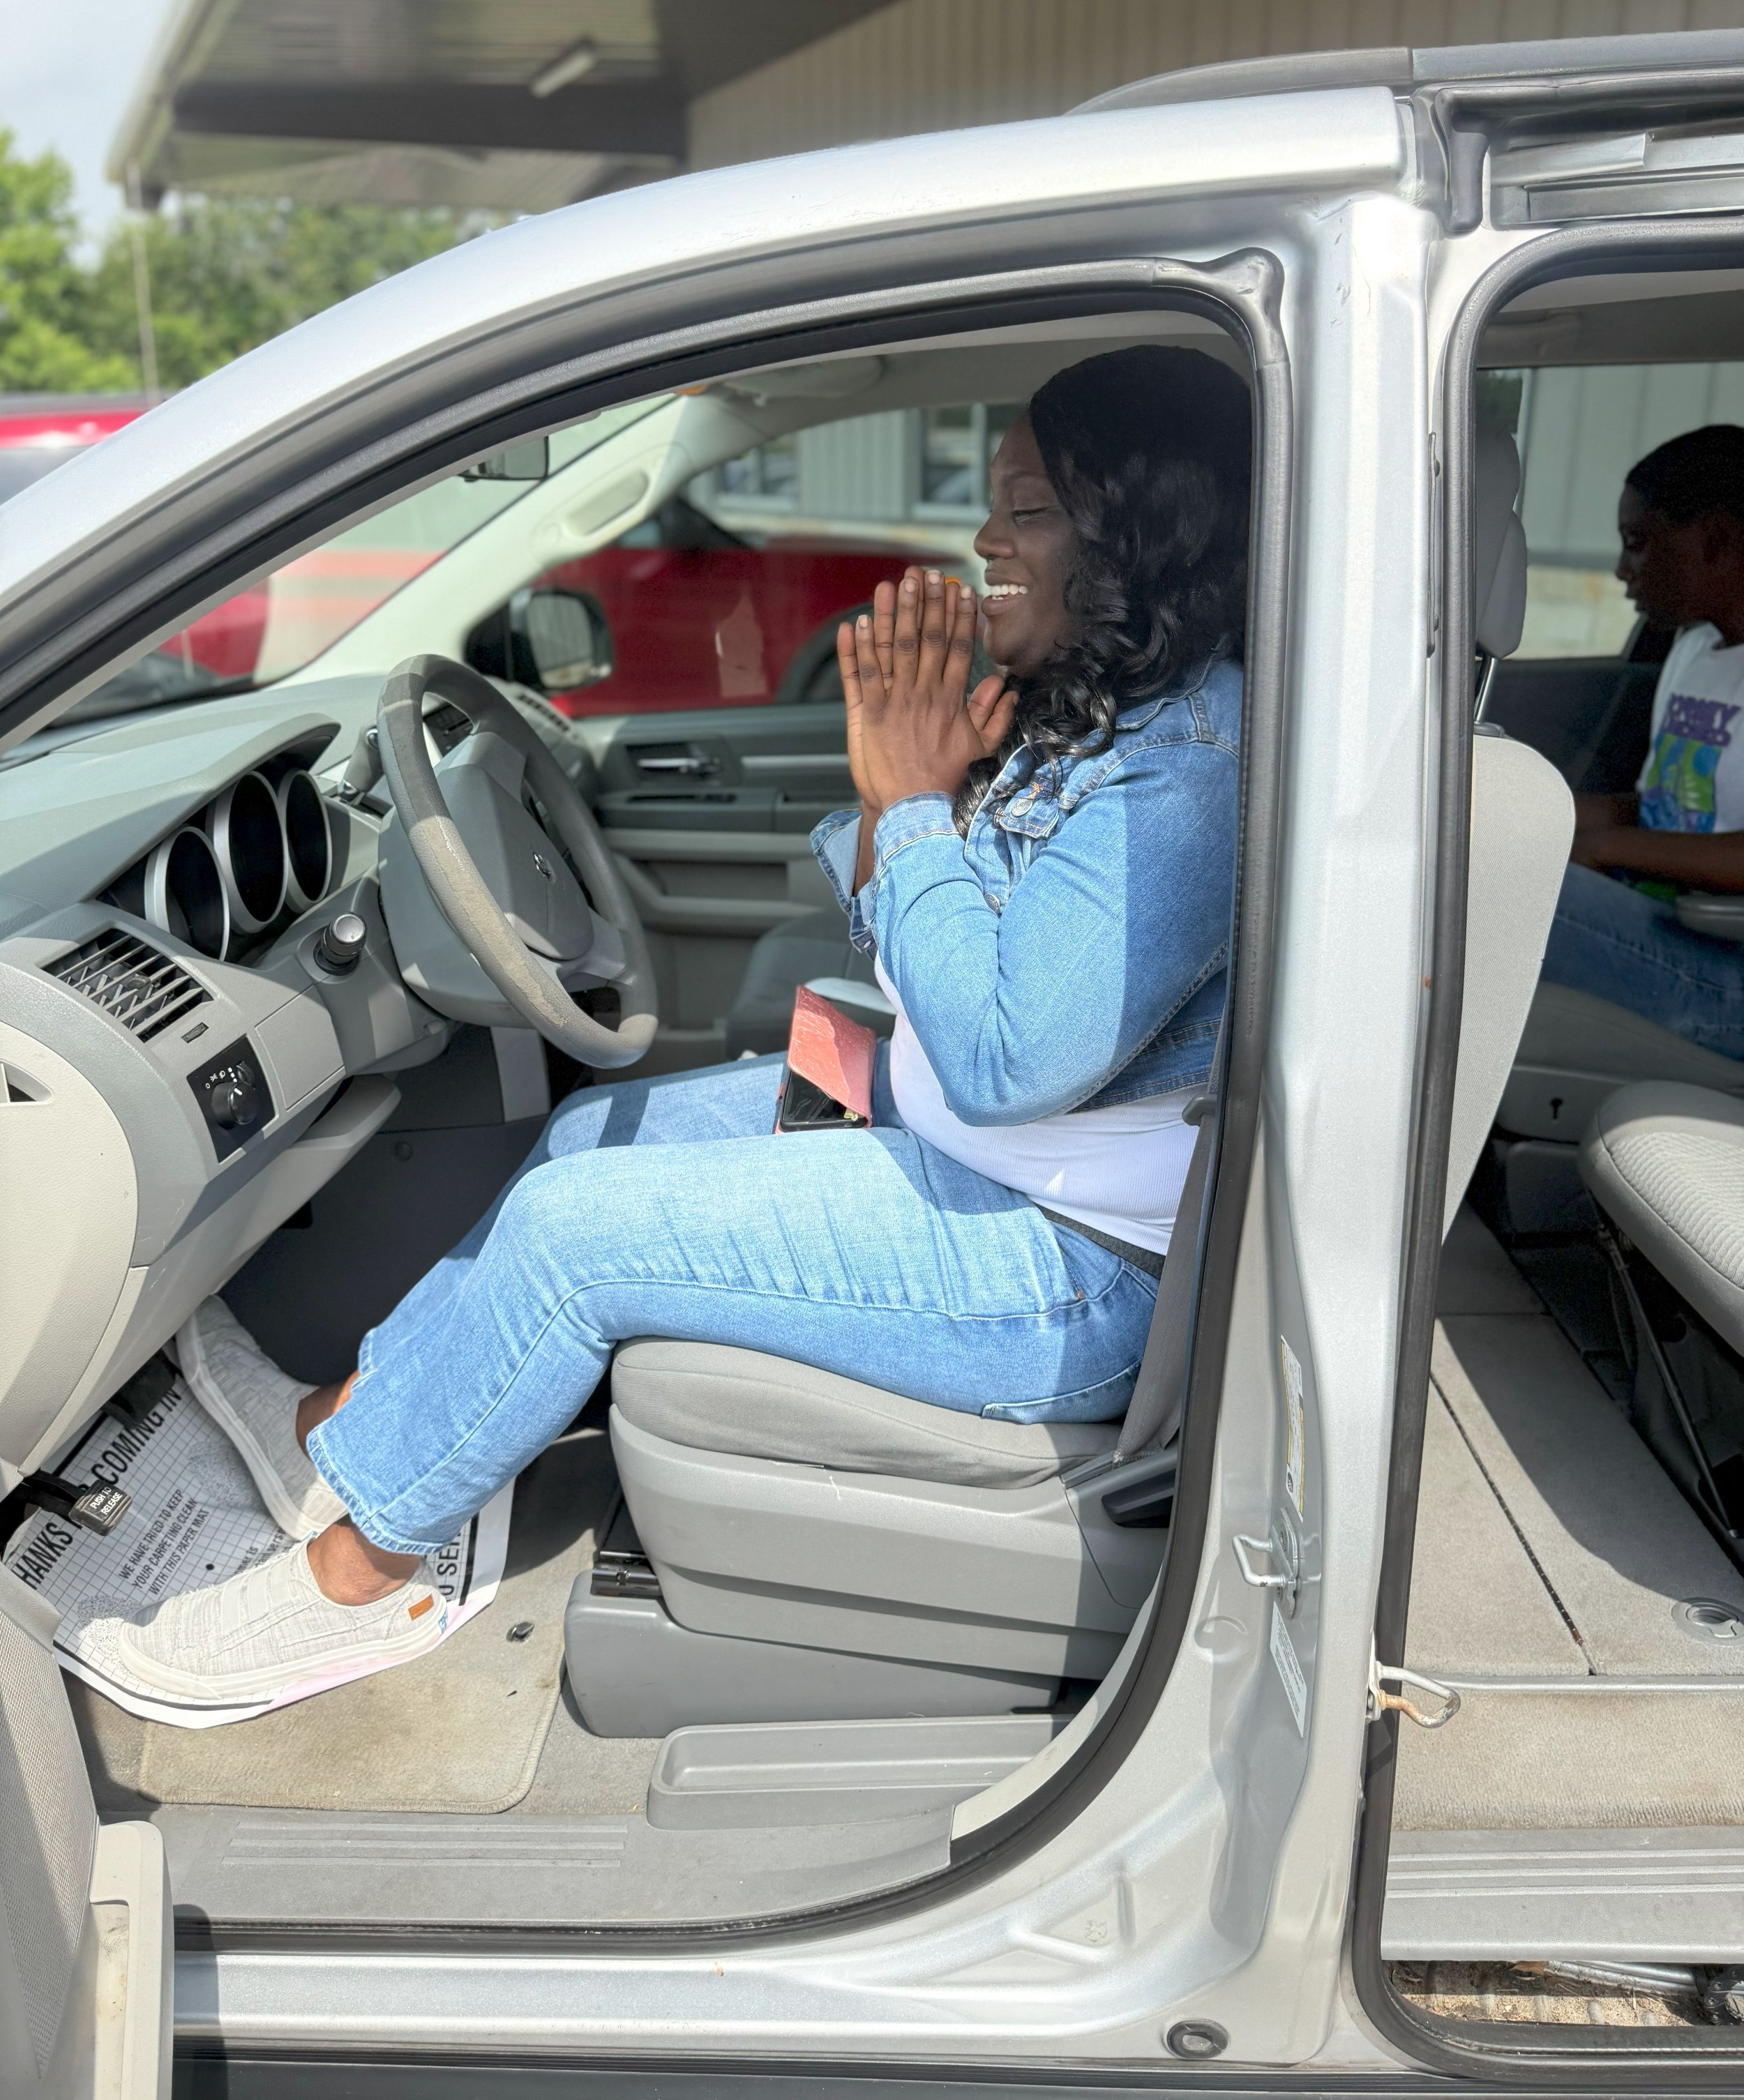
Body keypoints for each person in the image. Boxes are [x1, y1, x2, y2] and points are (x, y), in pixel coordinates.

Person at [68, 344, 1251, 1710]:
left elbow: (1003, 1059)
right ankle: (336, 1430)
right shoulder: (1114, 713)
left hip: (1071, 1267)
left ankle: (362, 1573)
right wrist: (904, 799)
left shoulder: (1187, 768)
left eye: (1028, 508)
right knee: (593, 1130)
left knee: (575, 1238)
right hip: (989, 1153)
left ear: (1142, 535)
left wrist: (918, 799)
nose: (985, 538)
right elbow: (951, 961)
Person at [1542, 423, 1744, 1057]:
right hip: (1667, 923)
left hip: (1727, 970)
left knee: (1520, 891)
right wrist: (1532, 811)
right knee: (1491, 849)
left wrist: (1605, 847)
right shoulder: (1694, 651)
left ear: (1716, 540)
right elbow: (1661, 808)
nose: (1621, 570)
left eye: (1638, 543)